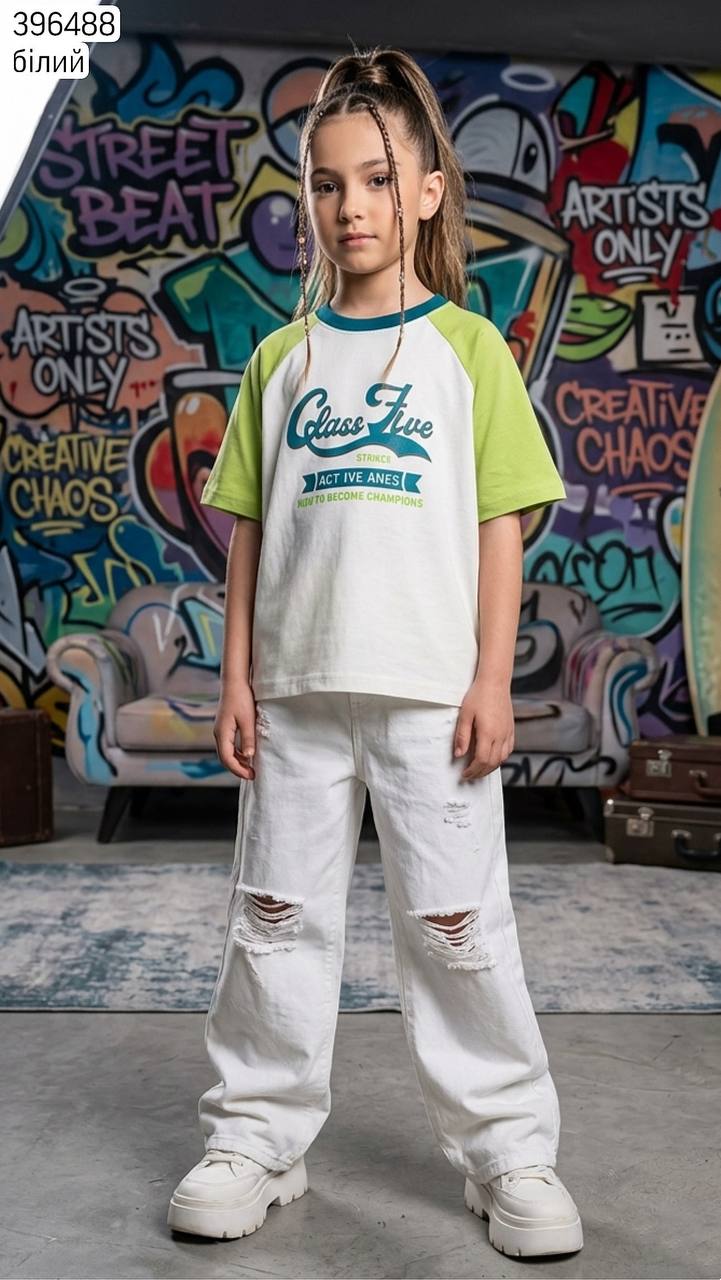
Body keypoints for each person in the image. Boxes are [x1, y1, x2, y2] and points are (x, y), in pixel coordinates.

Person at [167, 44, 583, 1260]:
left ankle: (508, 1149)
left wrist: (492, 677)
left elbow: (501, 526)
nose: (350, 205)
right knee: (273, 921)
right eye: (327, 182)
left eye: (376, 178)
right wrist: (236, 678)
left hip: (430, 701)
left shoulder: (470, 350)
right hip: (296, 696)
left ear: (427, 191)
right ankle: (257, 1135)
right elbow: (248, 536)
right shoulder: (278, 361)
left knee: (458, 926)